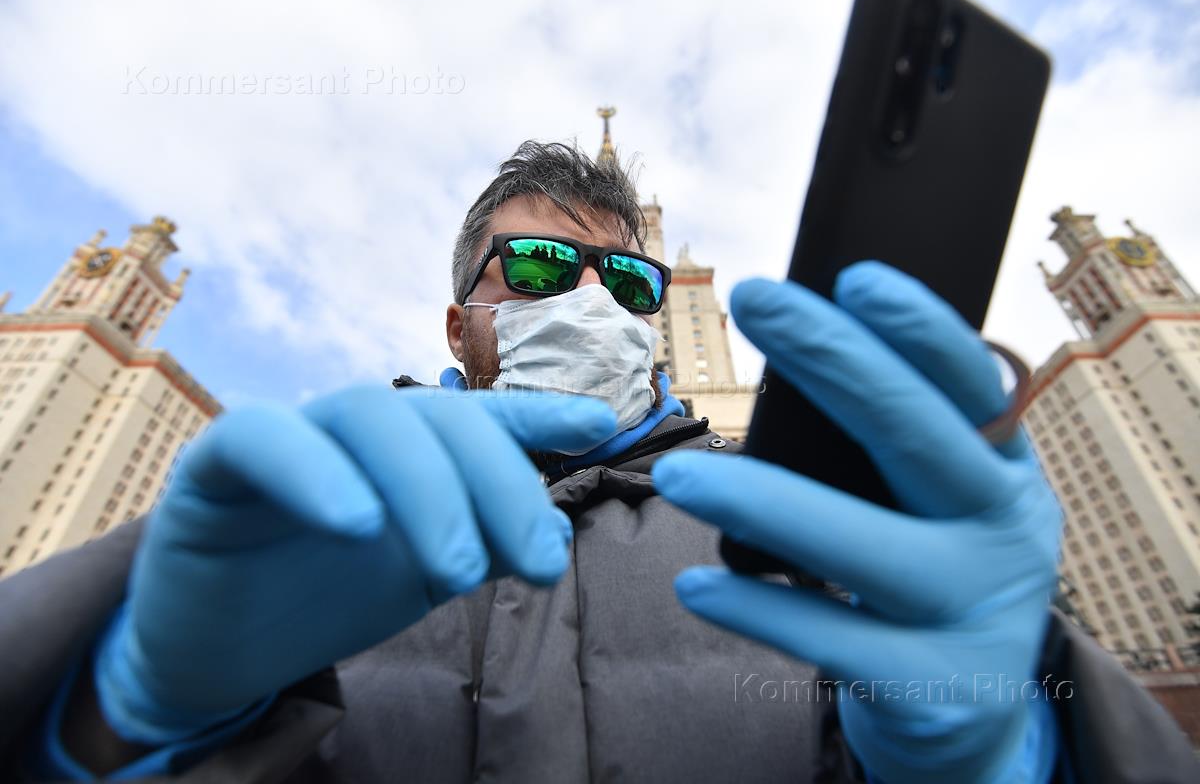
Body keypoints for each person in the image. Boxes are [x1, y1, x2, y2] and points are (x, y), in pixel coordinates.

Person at [2, 141, 1196, 783]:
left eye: (624, 279)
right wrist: (117, 719)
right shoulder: (315, 522)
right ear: (460, 322)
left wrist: (1009, 752)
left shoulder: (789, 531)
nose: (584, 297)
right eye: (532, 268)